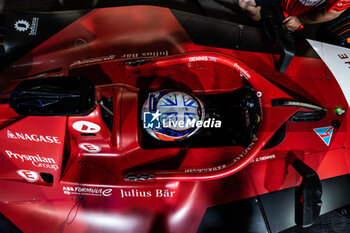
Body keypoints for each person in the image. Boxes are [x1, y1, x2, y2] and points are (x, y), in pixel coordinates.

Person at [238, 0, 350, 31]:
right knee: (245, 2)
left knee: (277, 38)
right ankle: (257, 22)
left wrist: (299, 20)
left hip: (293, 13)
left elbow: (331, 13)